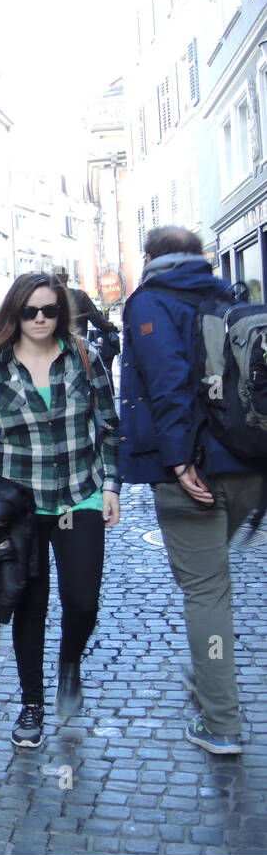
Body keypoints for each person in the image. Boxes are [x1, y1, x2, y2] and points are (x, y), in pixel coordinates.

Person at [118, 226, 265, 755]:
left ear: (150, 257)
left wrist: (177, 460)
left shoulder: (150, 302)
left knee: (207, 593)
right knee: (212, 584)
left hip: (195, 472)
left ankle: (221, 721)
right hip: (250, 465)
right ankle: (210, 675)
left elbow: (167, 382)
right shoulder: (227, 293)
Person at [0, 273, 121, 748]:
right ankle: (31, 705)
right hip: (21, 506)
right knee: (29, 608)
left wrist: (111, 484)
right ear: (14, 312)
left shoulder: (85, 361)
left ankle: (69, 660)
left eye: (48, 310)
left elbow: (110, 429)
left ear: (60, 313)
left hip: (80, 494)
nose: (38, 319)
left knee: (83, 602)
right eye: (29, 310)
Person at [53, 266, 118, 344]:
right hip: (77, 347)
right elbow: (99, 322)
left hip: (51, 348)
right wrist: (113, 328)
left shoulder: (47, 298)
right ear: (67, 277)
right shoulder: (80, 296)